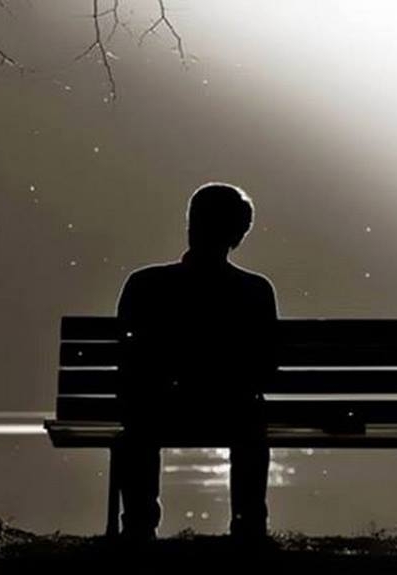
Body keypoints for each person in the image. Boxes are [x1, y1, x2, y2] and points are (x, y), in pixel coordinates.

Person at [114, 182, 277, 541]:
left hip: (159, 411)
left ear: (191, 225)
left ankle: (139, 525)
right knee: (251, 421)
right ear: (239, 235)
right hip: (232, 412)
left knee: (137, 422)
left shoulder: (144, 285)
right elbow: (266, 371)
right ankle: (249, 525)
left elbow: (128, 362)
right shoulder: (255, 291)